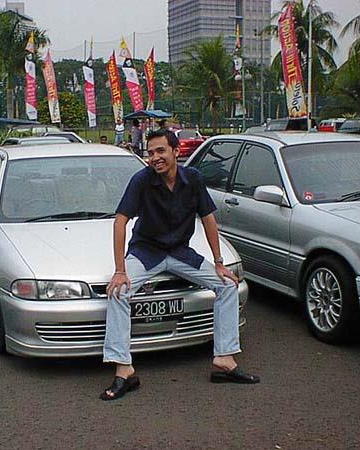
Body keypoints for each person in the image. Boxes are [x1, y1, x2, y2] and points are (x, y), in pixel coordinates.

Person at [100, 129, 259, 401]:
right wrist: (120, 271)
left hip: (181, 253)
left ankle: (224, 359)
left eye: (161, 151)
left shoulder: (193, 179)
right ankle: (124, 369)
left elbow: (208, 219)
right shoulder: (141, 180)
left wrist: (219, 263)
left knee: (227, 284)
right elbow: (120, 222)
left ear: (176, 151)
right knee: (118, 291)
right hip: (146, 252)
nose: (155, 157)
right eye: (150, 153)